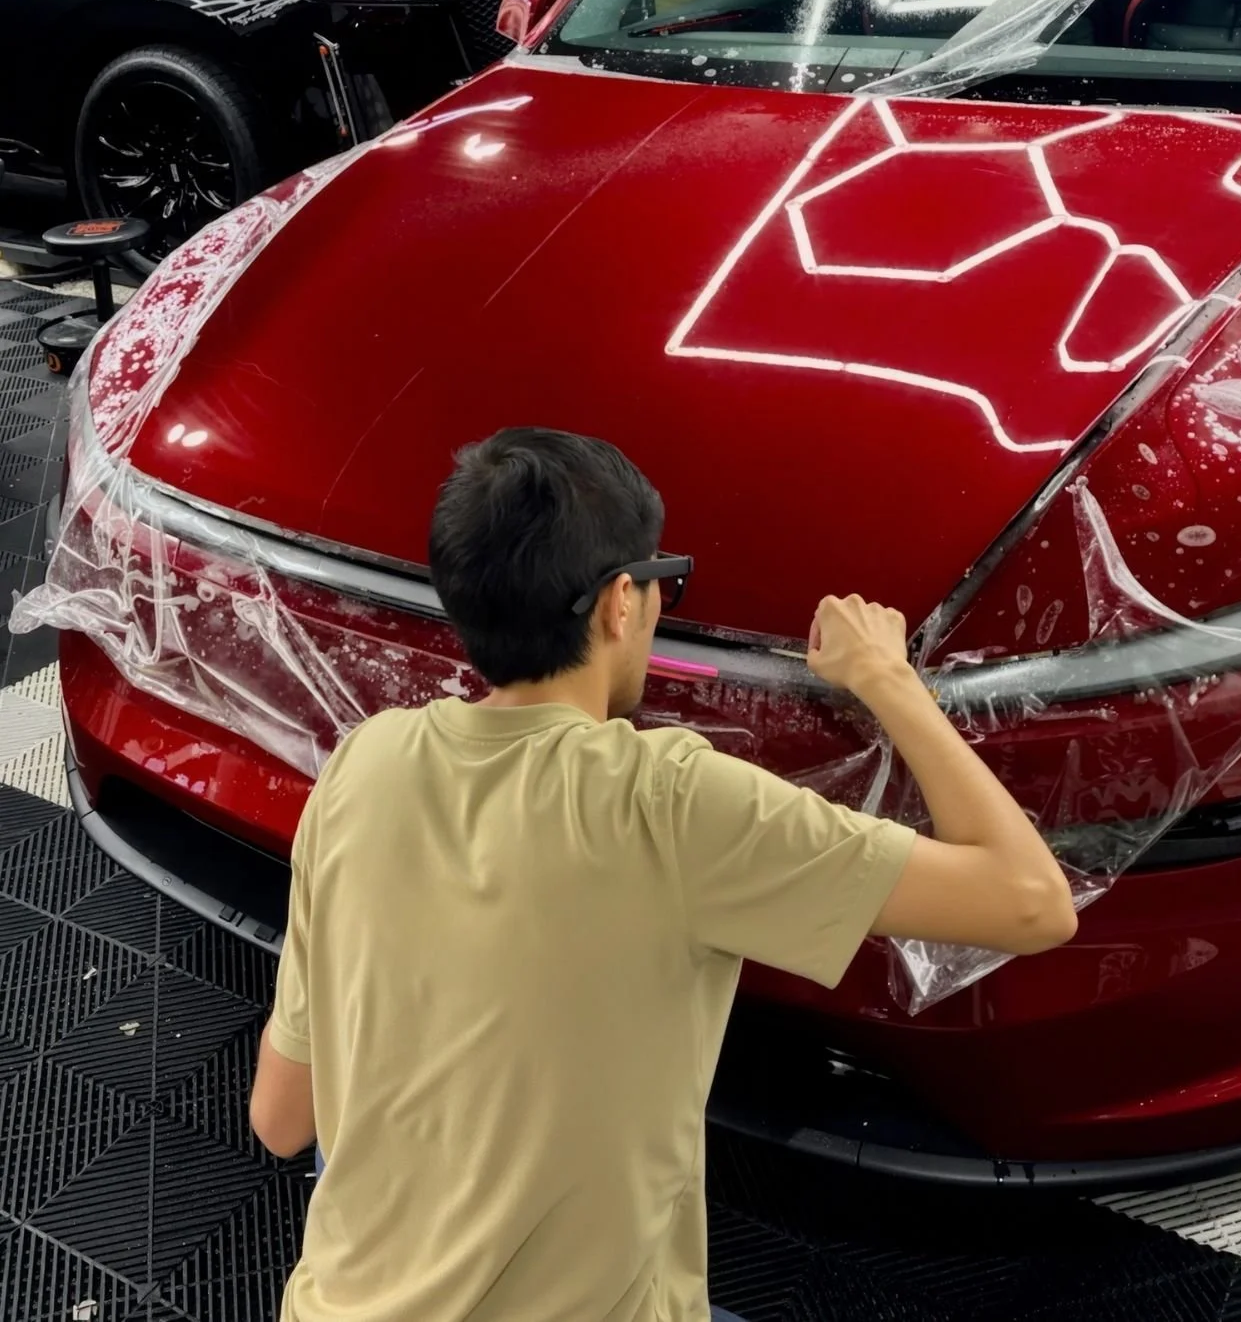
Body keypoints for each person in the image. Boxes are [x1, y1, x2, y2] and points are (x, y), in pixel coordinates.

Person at [250, 427, 1078, 1322]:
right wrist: (890, 680)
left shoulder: (365, 762)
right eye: (660, 585)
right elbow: (1032, 903)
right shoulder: (669, 803)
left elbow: (281, 1120)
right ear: (618, 603)